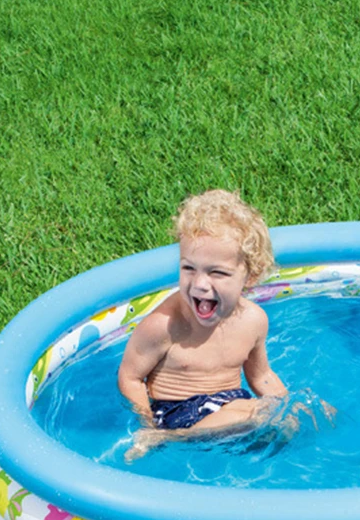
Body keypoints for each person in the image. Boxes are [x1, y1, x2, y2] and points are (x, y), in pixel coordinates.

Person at [118, 189, 287, 457]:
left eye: (217, 272)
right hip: (178, 415)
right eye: (188, 268)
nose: (199, 284)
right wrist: (147, 426)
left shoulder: (253, 320)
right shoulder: (163, 325)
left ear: (250, 276)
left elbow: (261, 376)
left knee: (289, 422)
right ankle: (167, 439)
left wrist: (289, 406)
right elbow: (130, 377)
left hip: (231, 405)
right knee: (258, 414)